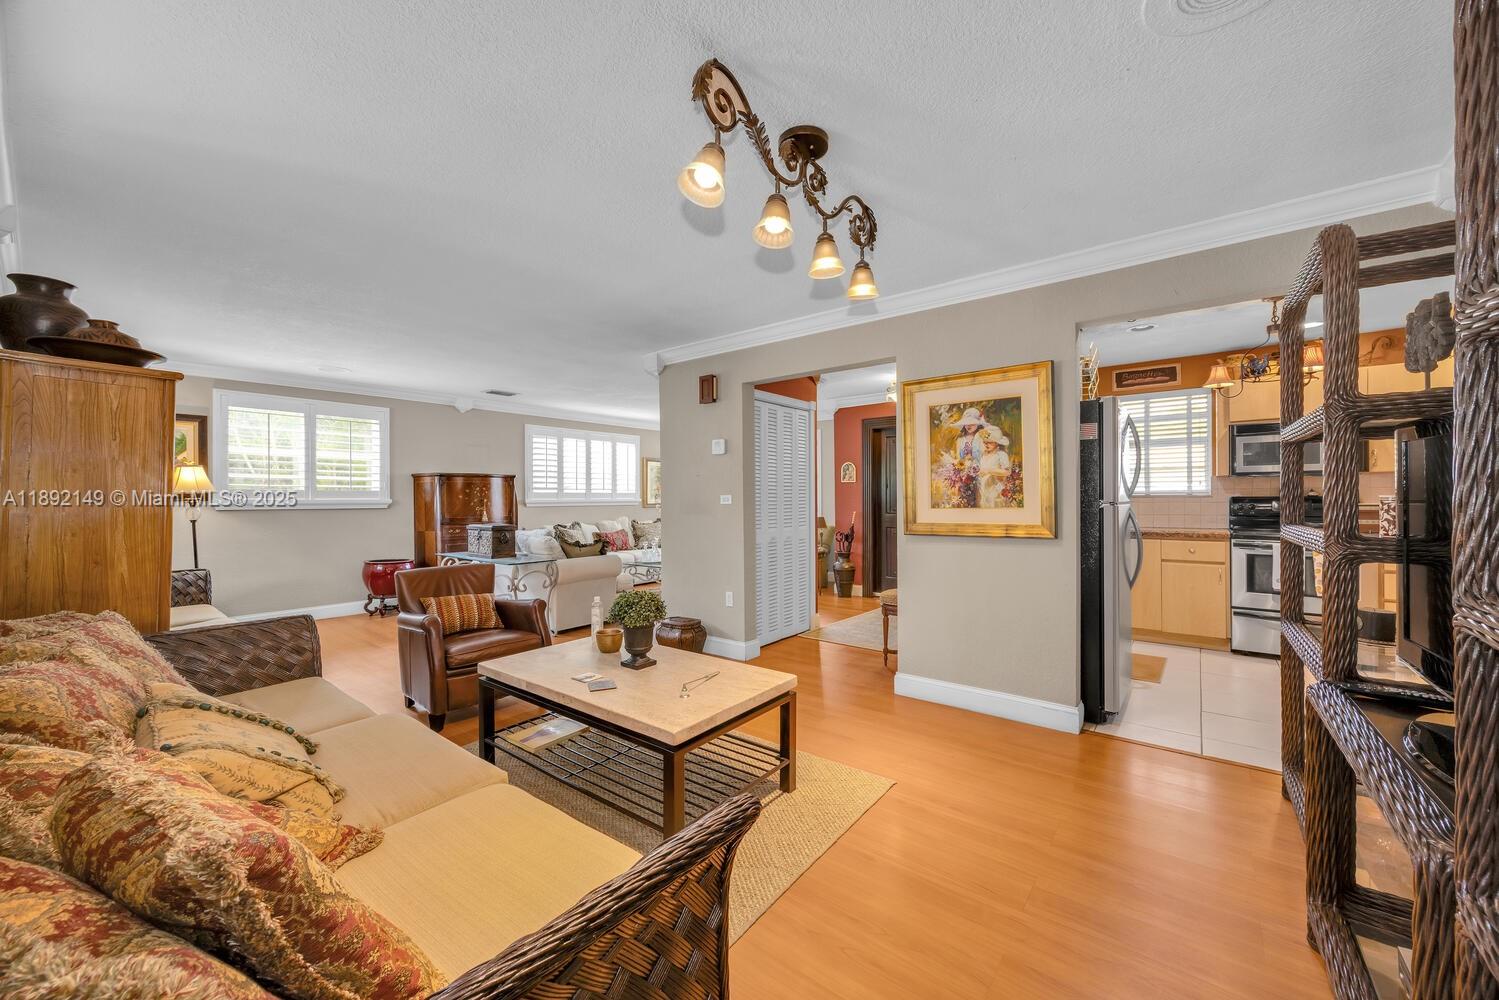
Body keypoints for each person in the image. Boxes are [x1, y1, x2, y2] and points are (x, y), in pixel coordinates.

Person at [976, 424, 1012, 507]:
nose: (986, 445)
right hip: (984, 489)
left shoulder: (1001, 455)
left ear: (997, 443)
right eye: (985, 442)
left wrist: (989, 471)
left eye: (990, 442)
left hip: (996, 489)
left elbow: (1007, 472)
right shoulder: (984, 455)